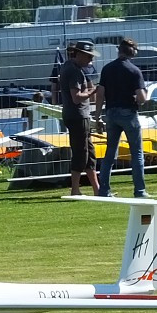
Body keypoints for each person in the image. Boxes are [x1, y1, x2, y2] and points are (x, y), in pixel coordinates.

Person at [94, 37, 151, 199]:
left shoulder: (107, 69)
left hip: (111, 113)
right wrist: (143, 95)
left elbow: (100, 94)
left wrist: (98, 116)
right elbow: (142, 98)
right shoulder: (134, 71)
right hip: (129, 114)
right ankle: (139, 191)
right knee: (137, 153)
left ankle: (103, 190)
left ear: (119, 50)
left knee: (110, 152)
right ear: (133, 52)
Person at [58, 40, 100, 196]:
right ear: (79, 54)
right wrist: (93, 92)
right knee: (81, 154)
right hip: (77, 116)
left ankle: (97, 189)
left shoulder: (72, 67)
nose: (91, 60)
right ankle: (74, 189)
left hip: (79, 116)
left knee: (89, 153)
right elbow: (76, 97)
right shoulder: (73, 71)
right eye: (88, 57)